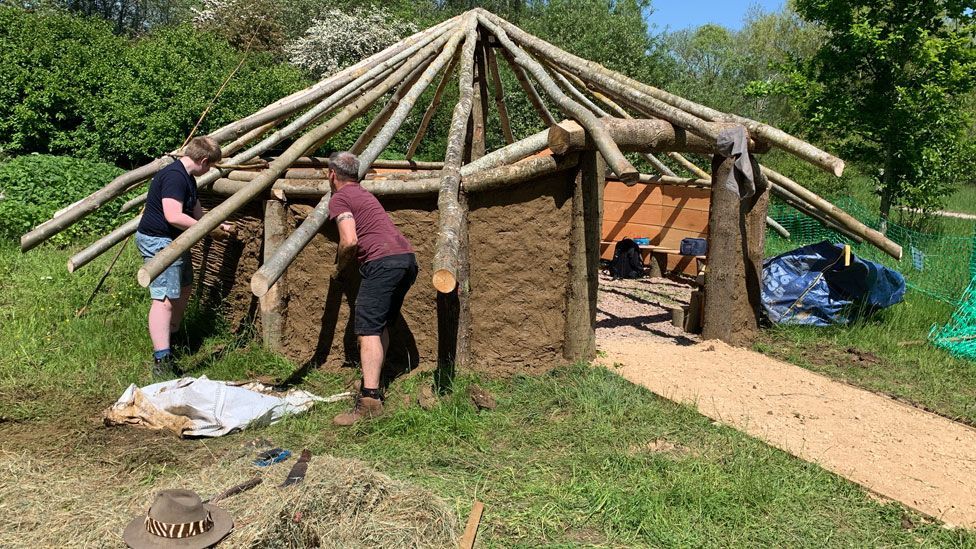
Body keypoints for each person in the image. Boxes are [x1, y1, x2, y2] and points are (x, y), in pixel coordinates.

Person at [327, 151, 418, 426]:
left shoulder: (340, 198)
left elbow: (350, 240)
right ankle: (376, 380)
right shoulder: (365, 195)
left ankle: (369, 401)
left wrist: (341, 267)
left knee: (366, 328)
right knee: (380, 325)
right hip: (406, 261)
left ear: (332, 175)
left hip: (383, 264)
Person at [135, 136, 234, 379]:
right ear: (202, 160)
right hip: (159, 241)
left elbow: (197, 211)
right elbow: (173, 216)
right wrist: (209, 229)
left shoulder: (187, 178)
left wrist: (218, 225)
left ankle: (173, 337)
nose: (209, 170)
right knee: (165, 298)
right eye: (209, 165)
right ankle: (162, 358)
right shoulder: (174, 177)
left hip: (176, 241)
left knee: (184, 288)